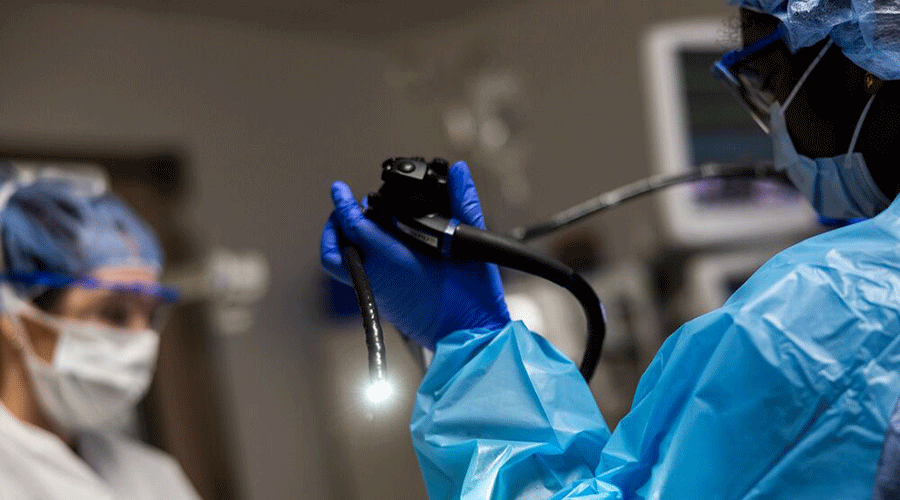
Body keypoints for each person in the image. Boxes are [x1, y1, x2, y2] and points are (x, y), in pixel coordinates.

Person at [323, 1, 900, 498]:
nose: (778, 147)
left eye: (772, 88)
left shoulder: (833, 315)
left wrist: (467, 345)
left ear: (861, 68)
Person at [0, 163, 200, 499]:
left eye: (150, 316)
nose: (142, 339)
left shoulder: (154, 477)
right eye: (114, 313)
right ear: (17, 317)